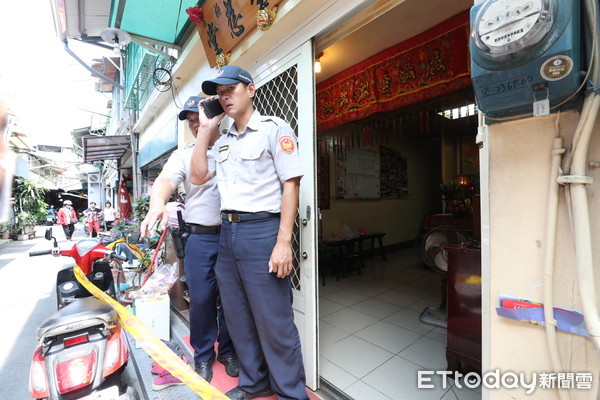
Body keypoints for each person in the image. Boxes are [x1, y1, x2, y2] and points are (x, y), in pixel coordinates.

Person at [190, 66, 308, 400]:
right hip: (228, 234)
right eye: (220, 92)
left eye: (231, 89)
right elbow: (198, 177)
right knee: (237, 316)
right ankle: (255, 382)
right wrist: (205, 130)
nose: (225, 96)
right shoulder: (222, 141)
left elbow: (291, 184)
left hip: (262, 231)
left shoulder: (273, 129)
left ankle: (290, 393)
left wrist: (284, 241)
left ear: (251, 89)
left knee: (274, 320)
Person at [140, 95, 238, 386]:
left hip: (233, 234)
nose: (196, 126)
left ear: (216, 117)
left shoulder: (232, 145)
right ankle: (204, 355)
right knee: (202, 300)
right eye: (192, 122)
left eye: (199, 119)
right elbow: (164, 182)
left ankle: (229, 351)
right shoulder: (183, 154)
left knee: (232, 299)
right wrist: (157, 203)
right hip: (200, 238)